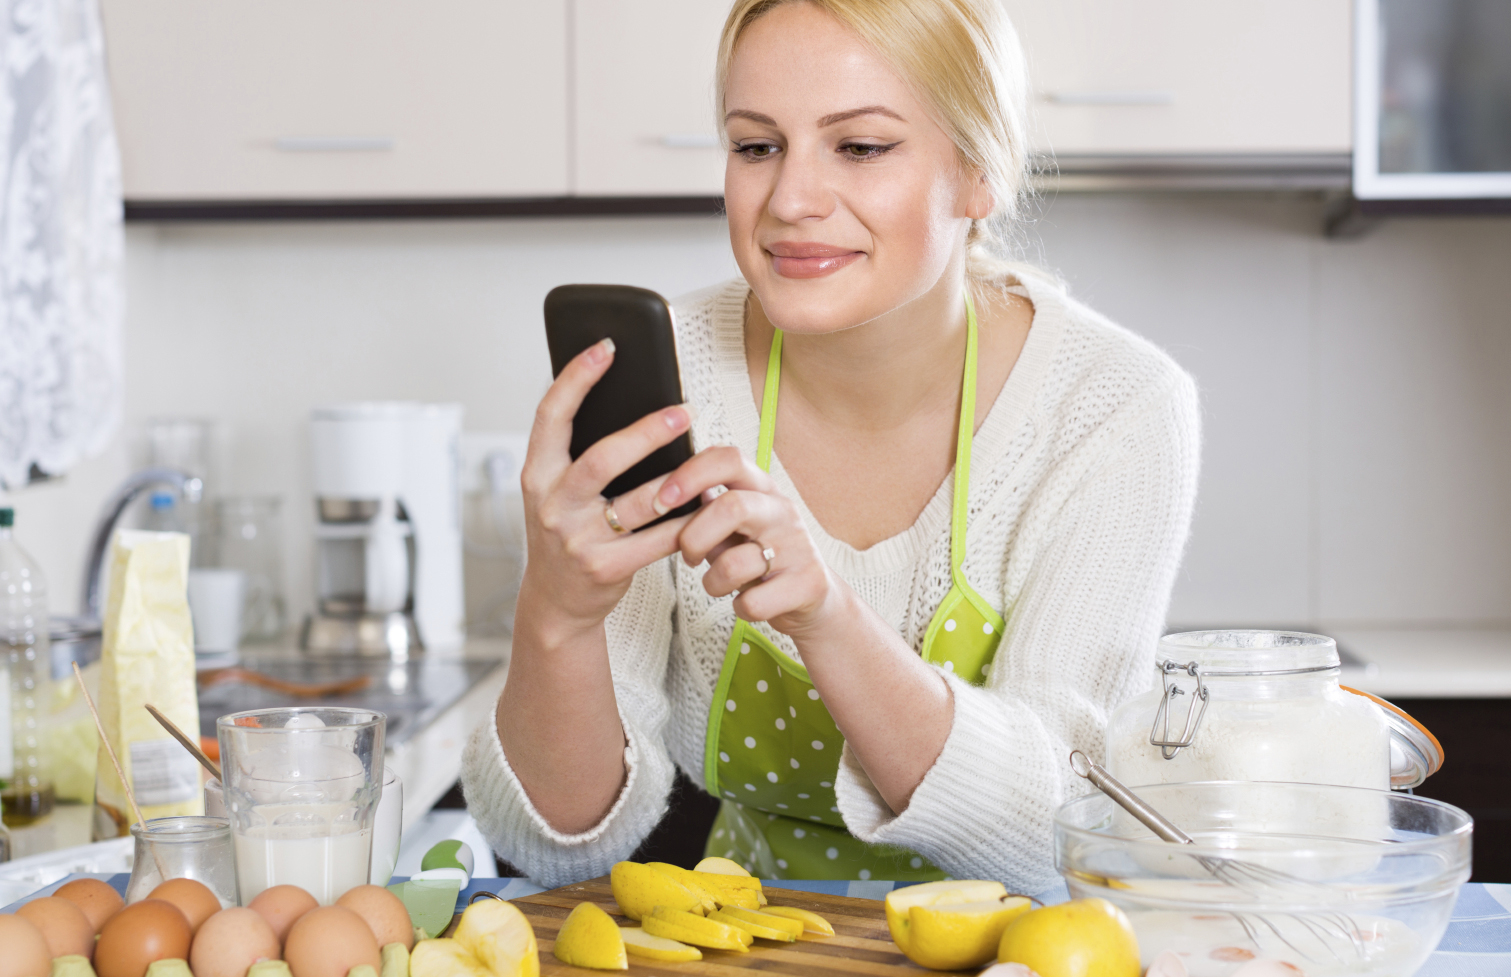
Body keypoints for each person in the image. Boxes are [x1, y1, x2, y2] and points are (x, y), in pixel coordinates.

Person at [462, 0, 1199, 891]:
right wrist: (559, 610)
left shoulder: (1111, 407)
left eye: (860, 147)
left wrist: (827, 617)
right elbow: (556, 847)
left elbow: (1058, 843)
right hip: (753, 942)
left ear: (978, 173)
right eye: (755, 145)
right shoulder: (668, 381)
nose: (790, 201)